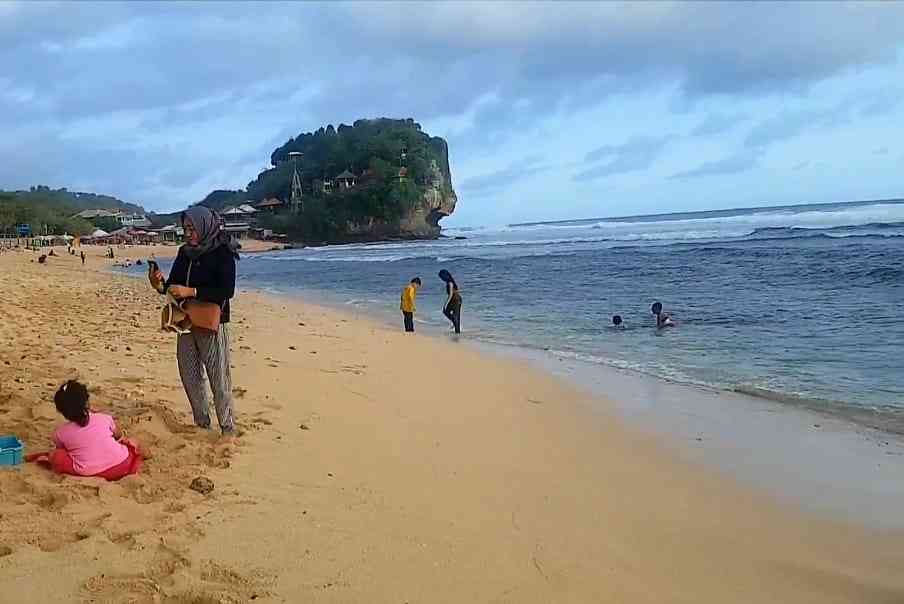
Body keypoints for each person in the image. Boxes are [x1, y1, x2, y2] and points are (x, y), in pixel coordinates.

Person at [151, 205, 239, 435]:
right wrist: (161, 284)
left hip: (212, 323)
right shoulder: (184, 252)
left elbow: (226, 291)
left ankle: (227, 427)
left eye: (192, 228)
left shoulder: (223, 252)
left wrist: (192, 292)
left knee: (218, 377)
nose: (188, 233)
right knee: (190, 375)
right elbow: (174, 286)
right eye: (185, 228)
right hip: (186, 321)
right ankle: (202, 423)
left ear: (204, 226)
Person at [43, 380, 142, 480]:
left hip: (91, 472)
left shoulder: (60, 433)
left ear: (63, 412)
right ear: (87, 402)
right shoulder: (104, 418)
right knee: (132, 442)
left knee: (55, 456)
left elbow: (63, 449)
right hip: (123, 464)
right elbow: (119, 436)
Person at [438, 269, 462, 334]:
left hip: (456, 300)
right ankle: (455, 323)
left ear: (445, 276)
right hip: (455, 299)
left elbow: (451, 294)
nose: (442, 279)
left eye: (442, 277)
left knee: (454, 315)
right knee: (449, 313)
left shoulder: (450, 283)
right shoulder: (450, 282)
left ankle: (457, 332)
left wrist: (445, 304)